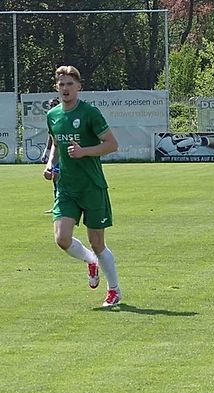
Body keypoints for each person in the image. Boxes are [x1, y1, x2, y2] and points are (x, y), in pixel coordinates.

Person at [44, 65, 122, 307]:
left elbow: (111, 144)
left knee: (98, 243)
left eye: (70, 84)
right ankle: (90, 261)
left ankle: (114, 290)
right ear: (56, 88)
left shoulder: (90, 113)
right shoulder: (53, 115)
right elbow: (56, 143)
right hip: (67, 186)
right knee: (62, 239)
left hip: (92, 186)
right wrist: (50, 164)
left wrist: (83, 152)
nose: (65, 89)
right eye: (61, 84)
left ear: (79, 86)